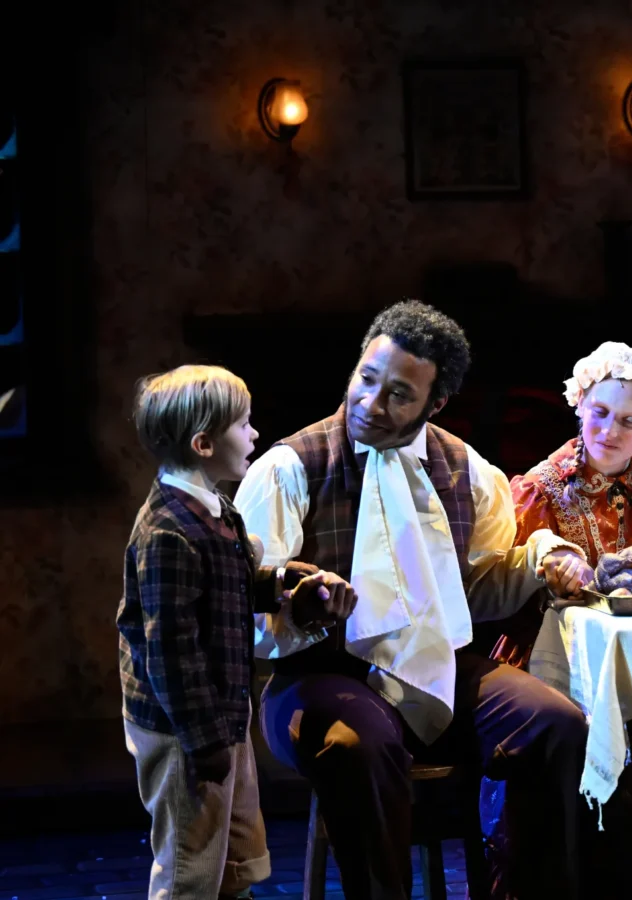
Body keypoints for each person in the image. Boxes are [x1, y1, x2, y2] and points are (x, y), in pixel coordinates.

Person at [234, 301, 597, 900]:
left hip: (436, 665)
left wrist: (539, 563)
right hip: (316, 673)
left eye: (399, 395)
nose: (371, 404)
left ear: (436, 404)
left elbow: (478, 591)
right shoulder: (290, 468)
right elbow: (246, 610)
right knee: (359, 744)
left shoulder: (467, 472)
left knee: (554, 723)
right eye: (366, 379)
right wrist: (301, 608)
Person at [120, 365, 353, 900]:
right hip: (185, 730)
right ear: (203, 443)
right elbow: (171, 652)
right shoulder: (168, 534)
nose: (254, 434)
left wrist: (286, 582)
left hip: (222, 713)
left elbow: (234, 581)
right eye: (243, 425)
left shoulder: (216, 509)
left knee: (236, 855)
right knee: (190, 865)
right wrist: (203, 744)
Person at [487, 342, 632, 667]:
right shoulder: (540, 489)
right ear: (581, 404)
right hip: (559, 650)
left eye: (628, 421)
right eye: (600, 413)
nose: (609, 431)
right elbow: (509, 594)